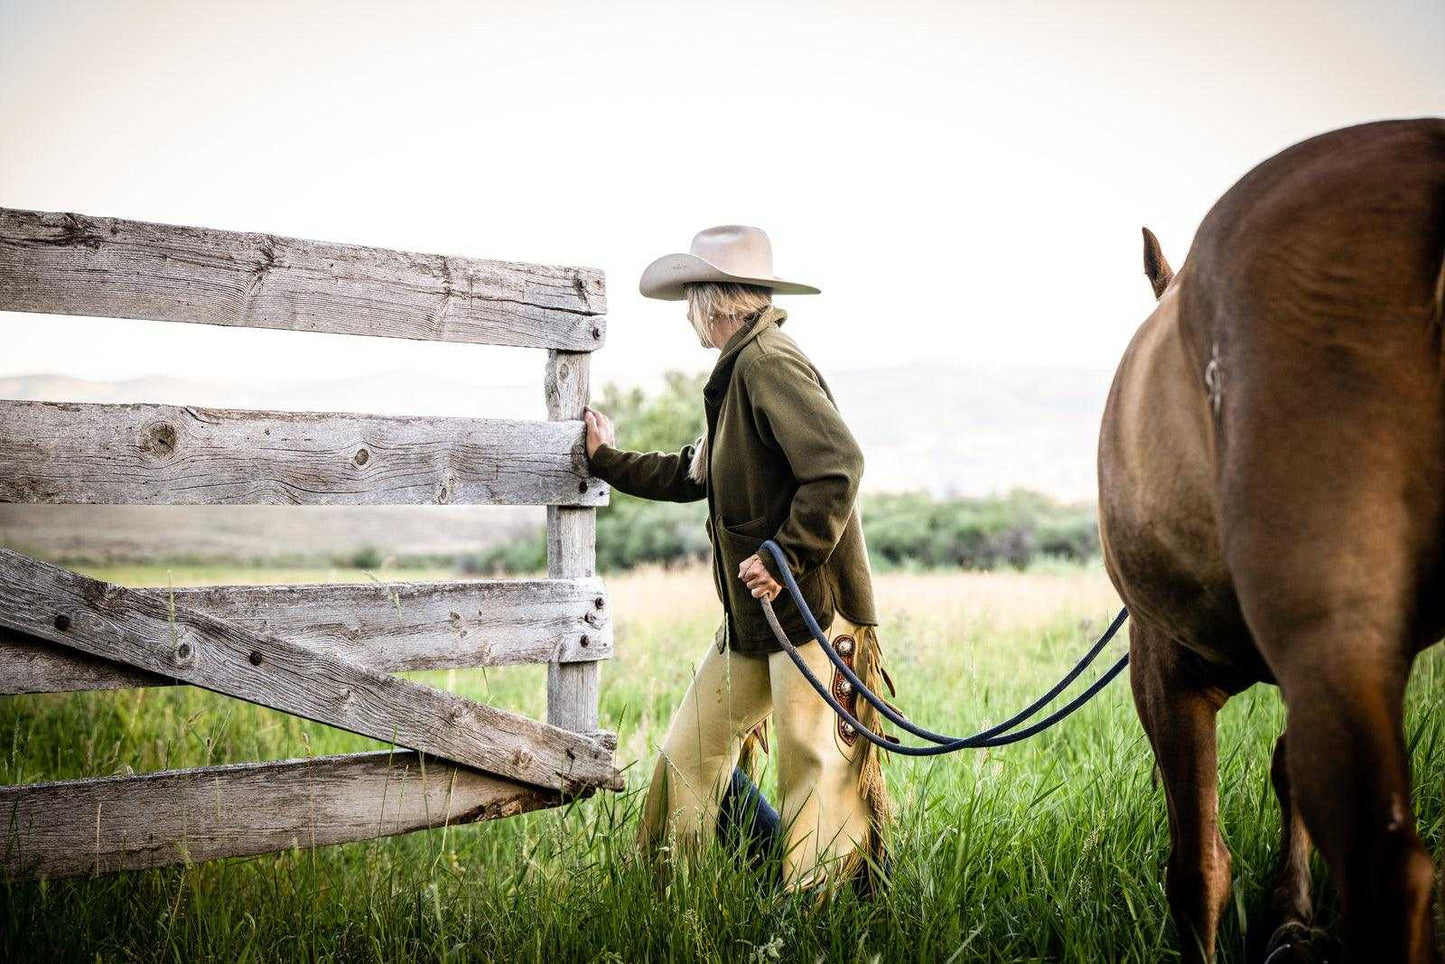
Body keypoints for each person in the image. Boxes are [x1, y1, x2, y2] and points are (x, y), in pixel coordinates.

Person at [583, 225, 892, 893]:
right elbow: (691, 474)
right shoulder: (737, 371)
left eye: (689, 296)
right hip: (758, 619)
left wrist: (786, 553)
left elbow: (837, 466)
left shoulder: (767, 362)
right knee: (689, 757)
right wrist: (604, 459)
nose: (686, 312)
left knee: (817, 769)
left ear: (710, 298)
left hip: (811, 609)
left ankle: (821, 917)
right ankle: (670, 896)